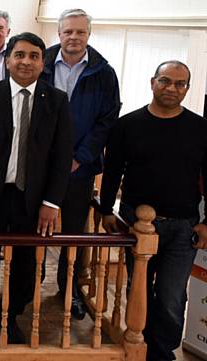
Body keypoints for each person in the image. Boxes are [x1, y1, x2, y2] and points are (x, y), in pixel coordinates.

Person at [0, 32, 72, 344]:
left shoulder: (57, 101)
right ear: (7, 60)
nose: (26, 61)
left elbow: (62, 157)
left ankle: (12, 317)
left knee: (25, 264)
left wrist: (51, 202)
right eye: (20, 55)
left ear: (42, 63)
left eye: (34, 56)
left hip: (32, 200)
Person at [100, 60, 207, 361]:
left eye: (179, 84)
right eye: (165, 81)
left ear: (186, 88)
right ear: (152, 82)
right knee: (140, 291)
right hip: (138, 225)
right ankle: (141, 347)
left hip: (183, 227)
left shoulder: (200, 128)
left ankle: (163, 353)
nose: (171, 88)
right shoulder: (128, 124)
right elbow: (112, 169)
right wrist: (107, 209)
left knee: (172, 298)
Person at [40, 8, 121, 320]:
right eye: (68, 32)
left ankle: (69, 290)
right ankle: (26, 287)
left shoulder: (104, 73)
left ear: (89, 34)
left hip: (81, 169)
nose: (73, 37)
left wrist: (78, 158)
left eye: (80, 32)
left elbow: (106, 121)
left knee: (73, 233)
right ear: (59, 34)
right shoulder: (40, 63)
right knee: (34, 229)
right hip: (40, 167)